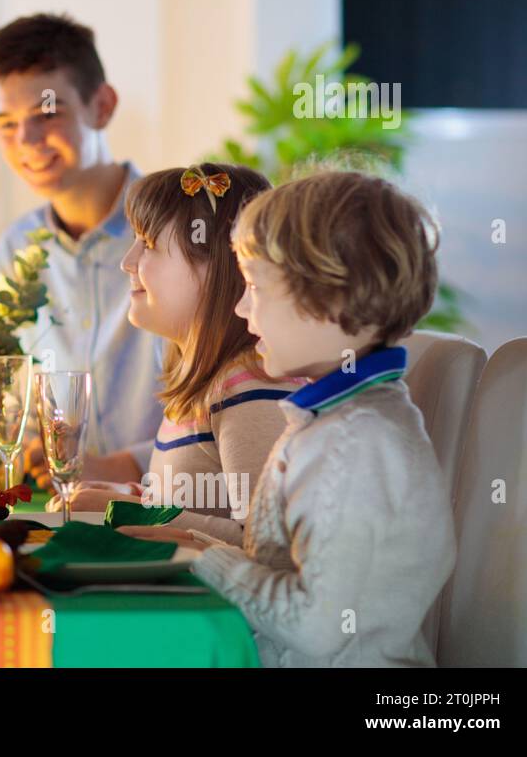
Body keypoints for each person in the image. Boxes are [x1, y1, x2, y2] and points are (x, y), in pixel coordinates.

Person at [142, 171, 456, 666]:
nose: (241, 308)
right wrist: (189, 539)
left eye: (254, 286)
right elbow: (282, 565)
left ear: (330, 299)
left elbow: (316, 627)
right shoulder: (335, 423)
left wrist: (200, 559)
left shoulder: (357, 442)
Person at [58, 165, 300, 545]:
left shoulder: (248, 388)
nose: (128, 262)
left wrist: (130, 513)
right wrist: (133, 496)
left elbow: (266, 542)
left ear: (216, 266)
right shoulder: (203, 388)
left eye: (149, 244)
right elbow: (199, 509)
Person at [0, 14, 162, 484]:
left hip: (168, 512)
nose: (27, 141)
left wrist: (123, 466)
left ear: (101, 106)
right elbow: (8, 392)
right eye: (6, 123)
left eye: (47, 114)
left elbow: (223, 402)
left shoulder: (179, 231)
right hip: (57, 507)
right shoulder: (15, 249)